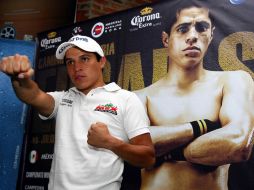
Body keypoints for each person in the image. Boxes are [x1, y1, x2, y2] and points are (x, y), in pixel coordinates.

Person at [0, 35, 155, 190]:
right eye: (70, 62)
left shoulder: (126, 99)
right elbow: (33, 95)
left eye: (85, 59)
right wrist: (19, 78)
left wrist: (110, 142)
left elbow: (148, 158)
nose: (77, 67)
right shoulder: (63, 98)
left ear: (101, 62)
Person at [135, 5, 254, 190]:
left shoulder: (233, 80)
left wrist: (165, 150)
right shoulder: (140, 96)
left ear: (211, 35)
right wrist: (201, 127)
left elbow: (238, 144)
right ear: (166, 39)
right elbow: (136, 148)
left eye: (201, 27)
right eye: (182, 29)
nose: (192, 36)